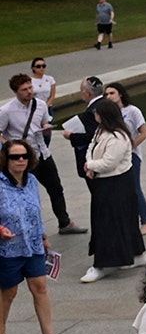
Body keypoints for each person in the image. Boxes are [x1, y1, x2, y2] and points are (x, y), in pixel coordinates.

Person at [0, 139, 75, 334]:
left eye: (24, 156)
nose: (20, 160)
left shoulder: (31, 180)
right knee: (8, 292)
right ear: (6, 160)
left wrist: (43, 236)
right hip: (8, 248)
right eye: (15, 157)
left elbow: (37, 210)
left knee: (40, 287)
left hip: (32, 245)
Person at [0, 74, 85, 235]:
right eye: (24, 90)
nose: (29, 92)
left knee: (56, 188)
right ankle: (26, 225)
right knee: (25, 192)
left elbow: (44, 121)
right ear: (16, 92)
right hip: (22, 157)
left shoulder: (40, 105)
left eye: (30, 87)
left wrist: (46, 127)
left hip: (42, 153)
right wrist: (8, 145)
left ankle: (64, 222)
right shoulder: (6, 111)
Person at [80, 100, 146, 283]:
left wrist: (90, 165)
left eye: (97, 112)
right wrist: (90, 164)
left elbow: (110, 162)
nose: (95, 115)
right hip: (103, 182)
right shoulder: (100, 131)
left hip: (116, 184)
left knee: (109, 222)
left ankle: (102, 264)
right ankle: (136, 253)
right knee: (115, 220)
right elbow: (90, 149)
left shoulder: (118, 136)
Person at [105, 82, 146, 235]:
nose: (109, 96)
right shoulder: (109, 113)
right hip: (115, 155)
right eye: (107, 94)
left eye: (112, 93)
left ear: (120, 94)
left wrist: (130, 146)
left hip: (132, 155)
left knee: (135, 188)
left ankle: (144, 222)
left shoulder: (132, 111)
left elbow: (143, 133)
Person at [64, 76, 106, 188]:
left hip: (94, 158)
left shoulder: (91, 111)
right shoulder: (107, 103)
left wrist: (72, 136)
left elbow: (92, 135)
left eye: (81, 91)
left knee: (97, 193)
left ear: (88, 93)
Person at [28, 58, 55, 147]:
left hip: (48, 108)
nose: (41, 68)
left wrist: (45, 106)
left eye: (43, 66)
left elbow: (52, 96)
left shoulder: (50, 79)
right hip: (35, 108)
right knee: (36, 131)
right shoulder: (30, 81)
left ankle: (45, 148)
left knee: (47, 133)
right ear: (33, 68)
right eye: (38, 66)